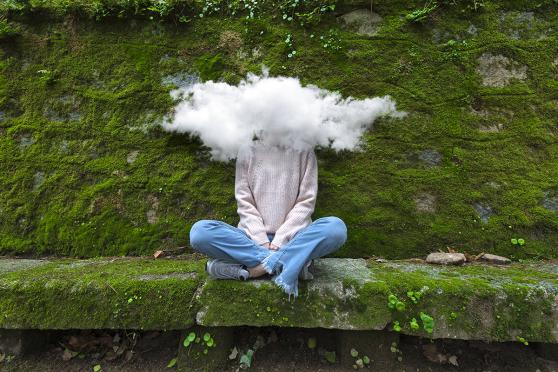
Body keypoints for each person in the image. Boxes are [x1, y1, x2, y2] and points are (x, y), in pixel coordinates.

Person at [189, 140, 347, 297]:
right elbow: (245, 204)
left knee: (335, 229)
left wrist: (280, 240)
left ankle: (254, 270)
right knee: (200, 232)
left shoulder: (304, 150)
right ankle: (293, 263)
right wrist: (262, 241)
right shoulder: (247, 150)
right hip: (250, 240)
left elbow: (305, 203)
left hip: (294, 239)